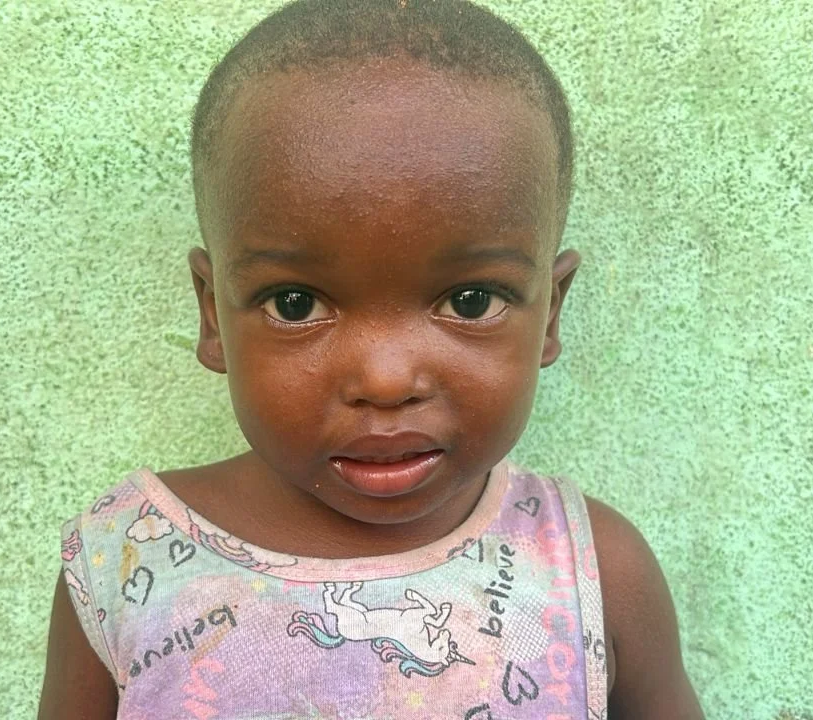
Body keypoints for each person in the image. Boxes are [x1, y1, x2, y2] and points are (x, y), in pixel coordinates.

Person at [38, 1, 702, 717]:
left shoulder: (593, 570)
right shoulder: (126, 558)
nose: (386, 379)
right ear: (211, 315)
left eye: (473, 300)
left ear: (550, 312)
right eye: (294, 303)